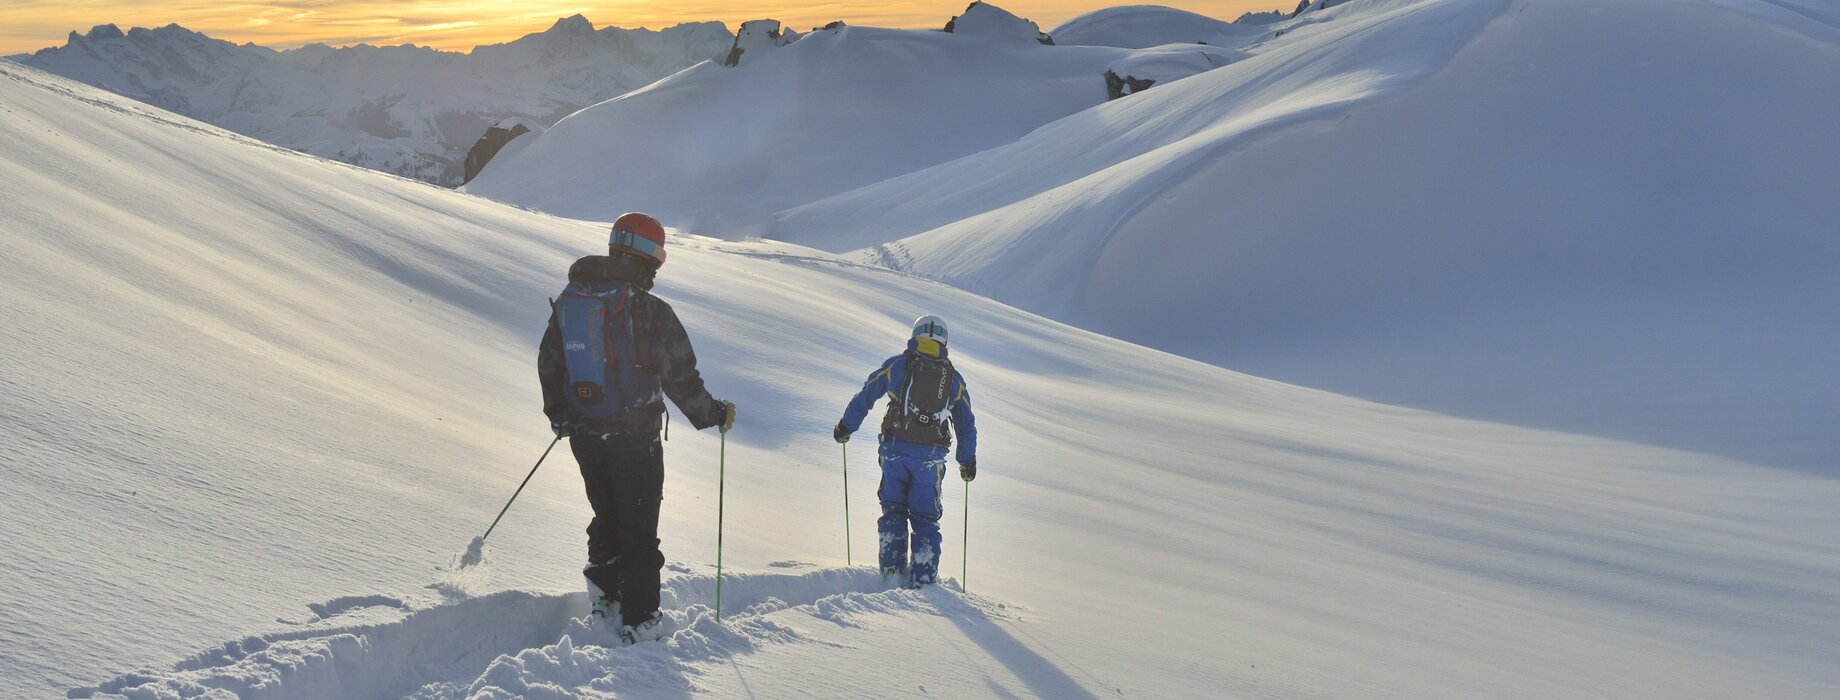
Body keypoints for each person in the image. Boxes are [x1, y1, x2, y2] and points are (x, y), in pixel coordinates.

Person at [538, 212, 735, 644]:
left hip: (586, 435)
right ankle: (641, 617)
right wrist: (715, 414)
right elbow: (682, 379)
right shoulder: (650, 309)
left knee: (605, 514)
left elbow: (550, 364)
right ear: (651, 258)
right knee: (639, 525)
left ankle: (605, 597)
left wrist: (561, 417)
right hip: (635, 437)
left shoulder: (574, 300)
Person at [833, 315, 977, 588]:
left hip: (894, 453)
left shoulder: (898, 365)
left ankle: (891, 572)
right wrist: (966, 462)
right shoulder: (953, 380)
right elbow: (966, 424)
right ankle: (923, 582)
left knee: (894, 510)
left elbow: (867, 394)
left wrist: (846, 427)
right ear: (944, 341)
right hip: (929, 459)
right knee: (925, 519)